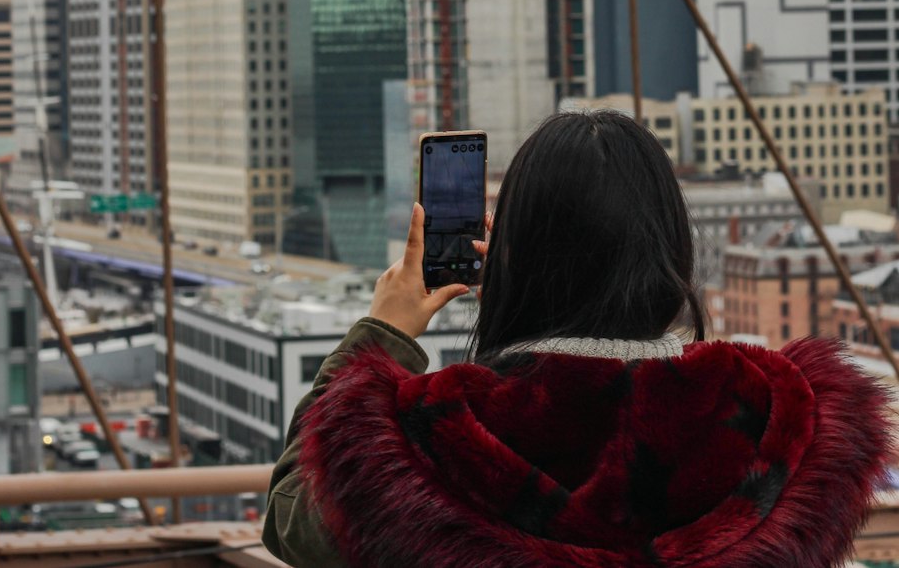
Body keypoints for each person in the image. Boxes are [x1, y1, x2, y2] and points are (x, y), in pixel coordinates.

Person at [263, 109, 891, 568]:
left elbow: (291, 520)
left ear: (511, 257)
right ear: (672, 249)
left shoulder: (437, 433)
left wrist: (385, 330)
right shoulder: (775, 416)